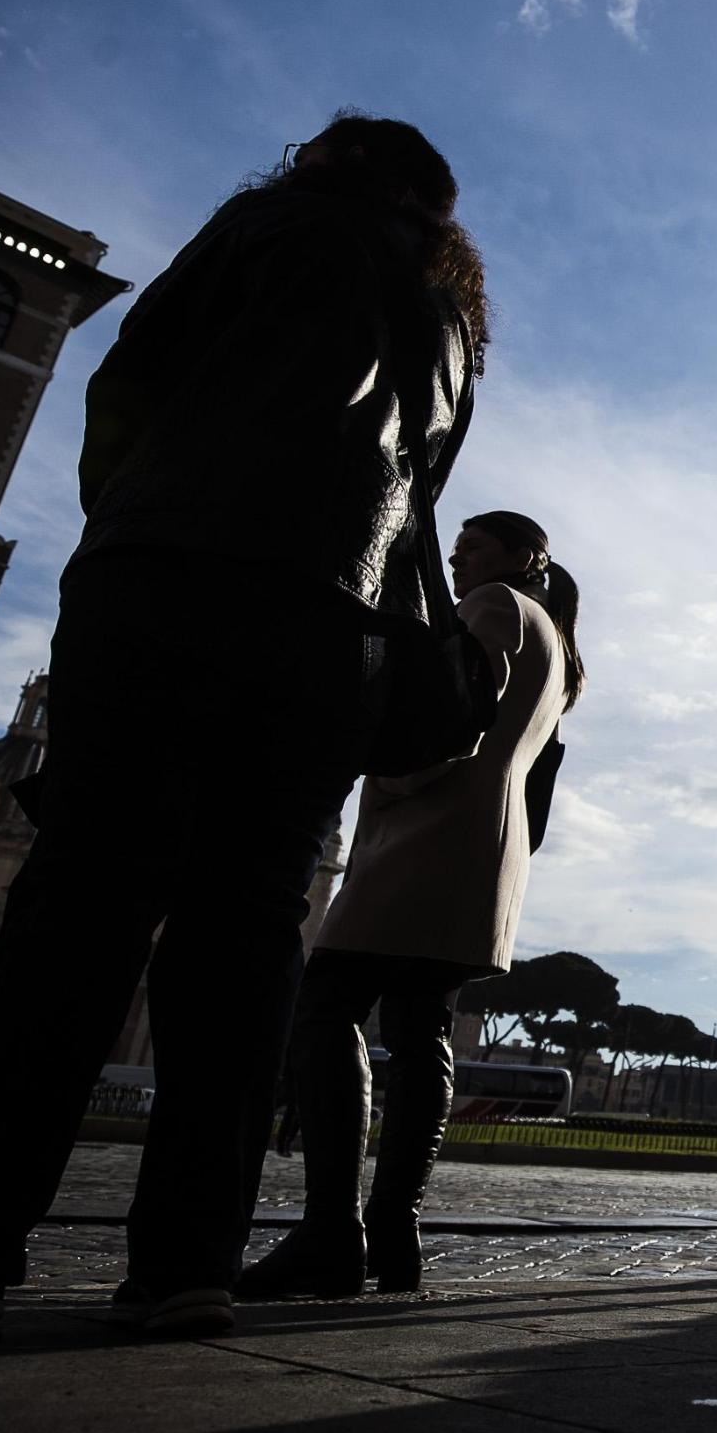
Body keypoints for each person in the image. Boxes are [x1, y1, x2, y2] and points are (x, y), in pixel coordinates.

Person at [0, 115, 486, 1347]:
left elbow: (131, 388)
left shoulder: (275, 221)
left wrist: (121, 528)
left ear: (325, 161)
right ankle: (190, 1259)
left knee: (82, 908)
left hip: (181, 581)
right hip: (335, 637)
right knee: (247, 941)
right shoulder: (453, 319)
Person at [239, 515, 580, 1299]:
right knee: (421, 1026)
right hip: (487, 840)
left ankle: (331, 1230)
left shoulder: (491, 605)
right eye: (457, 542)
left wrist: (384, 785)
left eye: (476, 540)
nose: (459, 551)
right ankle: (394, 1231)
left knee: (325, 1007)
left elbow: (448, 722)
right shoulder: (558, 643)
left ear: (523, 558)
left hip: (430, 827)